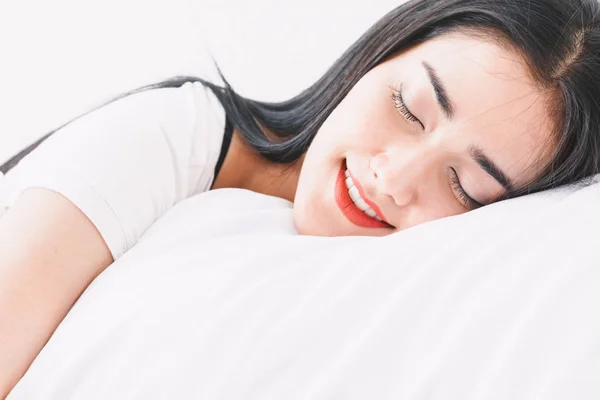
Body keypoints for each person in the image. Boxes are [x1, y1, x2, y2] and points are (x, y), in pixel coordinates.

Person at [1, 0, 600, 396]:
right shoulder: (168, 137)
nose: (392, 178)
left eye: (466, 186)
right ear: (379, 56)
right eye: (406, 107)